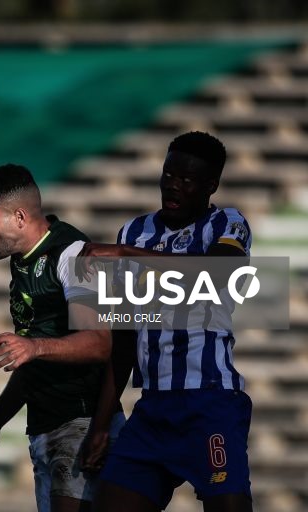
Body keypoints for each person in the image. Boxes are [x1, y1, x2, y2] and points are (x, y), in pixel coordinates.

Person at [78, 131, 253, 512]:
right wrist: (101, 424)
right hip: (153, 410)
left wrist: (126, 254)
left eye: (187, 180)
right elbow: (122, 338)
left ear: (210, 186)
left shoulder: (225, 223)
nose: (173, 185)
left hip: (209, 402)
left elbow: (220, 272)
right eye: (168, 174)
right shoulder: (135, 230)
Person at [0, 164, 125, 512]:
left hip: (82, 425)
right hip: (45, 428)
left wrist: (34, 346)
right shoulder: (21, 264)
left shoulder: (74, 255)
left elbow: (101, 342)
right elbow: (35, 361)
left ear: (18, 216)